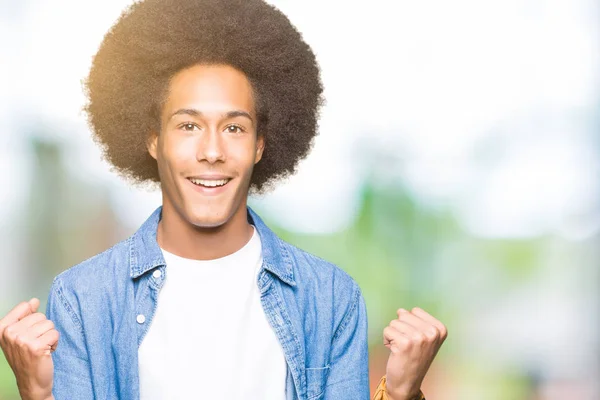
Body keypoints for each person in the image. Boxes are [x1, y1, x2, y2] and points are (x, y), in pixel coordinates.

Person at [0, 0, 447, 399]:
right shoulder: (83, 298)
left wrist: (403, 393)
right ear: (154, 140)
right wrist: (36, 395)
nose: (212, 151)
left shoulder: (329, 298)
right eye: (188, 125)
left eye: (233, 127)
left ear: (259, 145)